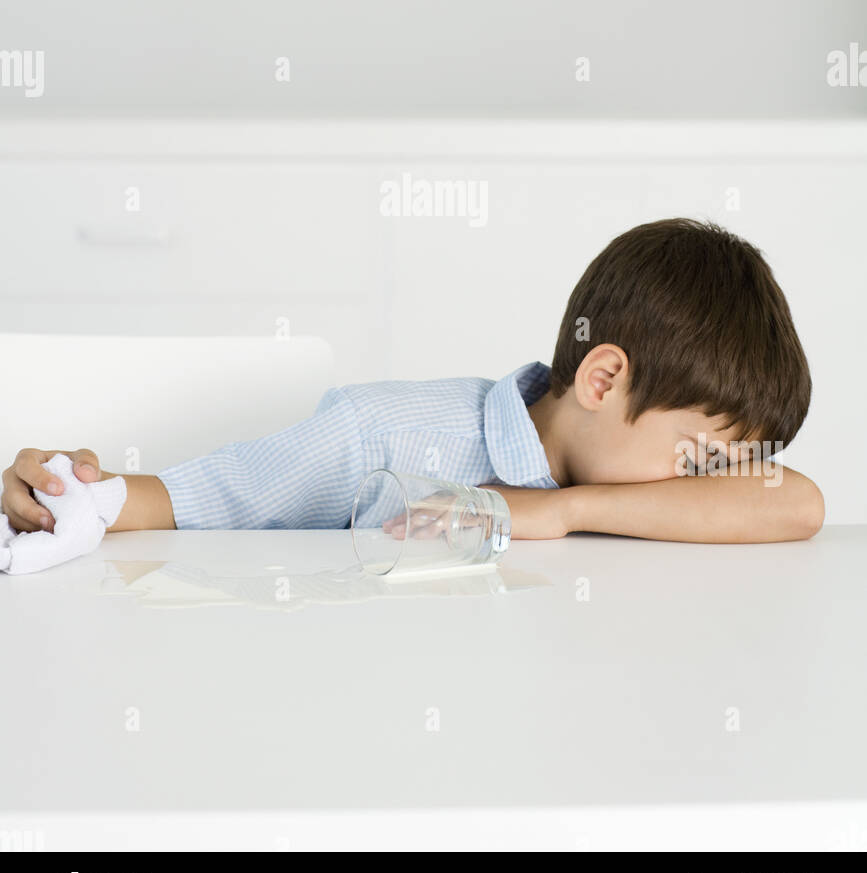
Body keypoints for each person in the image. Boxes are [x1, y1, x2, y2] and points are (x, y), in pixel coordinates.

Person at [0, 219, 824, 546]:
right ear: (603, 379)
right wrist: (70, 492)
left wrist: (561, 510)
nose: (700, 484)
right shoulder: (381, 433)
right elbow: (198, 501)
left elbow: (796, 500)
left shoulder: (611, 489)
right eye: (693, 457)